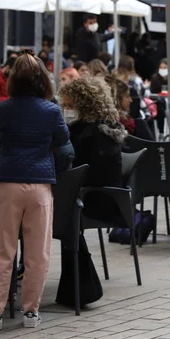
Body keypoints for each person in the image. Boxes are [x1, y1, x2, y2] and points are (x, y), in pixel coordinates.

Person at [0, 54, 70, 331]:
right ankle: (31, 312)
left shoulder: (3, 108)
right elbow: (65, 145)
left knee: (1, 251)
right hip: (40, 185)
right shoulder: (52, 110)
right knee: (38, 253)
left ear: (13, 80)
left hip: (7, 183)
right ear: (43, 80)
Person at [56, 76, 129, 307]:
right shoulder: (99, 129)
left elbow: (86, 173)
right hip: (94, 195)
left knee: (50, 210)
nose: (66, 110)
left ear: (84, 105)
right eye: (64, 105)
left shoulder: (92, 135)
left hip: (96, 199)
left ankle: (78, 285)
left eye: (70, 105)